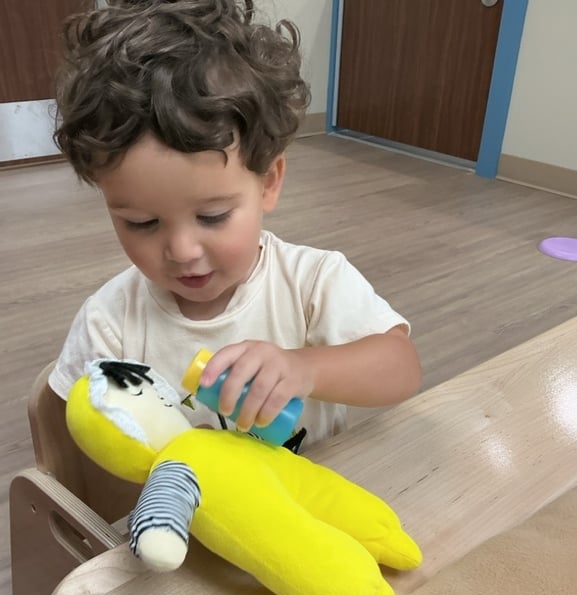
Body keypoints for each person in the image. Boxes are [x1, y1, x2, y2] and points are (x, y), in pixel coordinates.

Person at [49, 0, 421, 448]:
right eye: (142, 223)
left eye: (213, 216)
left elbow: (401, 369)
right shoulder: (109, 323)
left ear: (268, 181)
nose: (182, 250)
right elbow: (69, 434)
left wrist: (305, 369)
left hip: (305, 502)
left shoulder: (310, 283)